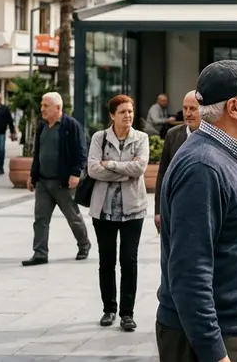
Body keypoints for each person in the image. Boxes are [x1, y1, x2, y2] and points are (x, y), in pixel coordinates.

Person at [156, 60, 237, 362]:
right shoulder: (203, 167)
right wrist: (214, 352)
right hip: (211, 337)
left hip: (231, 328)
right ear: (234, 107)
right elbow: (189, 272)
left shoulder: (226, 155)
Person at [87, 94, 149, 331]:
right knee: (107, 260)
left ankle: (127, 313)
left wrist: (110, 165)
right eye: (123, 112)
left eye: (130, 111)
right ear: (112, 115)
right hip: (103, 210)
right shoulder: (99, 138)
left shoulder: (141, 138)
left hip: (133, 209)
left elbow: (140, 167)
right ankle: (109, 309)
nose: (128, 116)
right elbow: (93, 169)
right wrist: (126, 170)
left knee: (129, 261)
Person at [22, 92, 92, 266]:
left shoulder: (71, 126)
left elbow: (81, 152)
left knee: (73, 217)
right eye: (42, 105)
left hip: (63, 183)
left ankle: (84, 244)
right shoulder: (42, 127)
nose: (42, 109)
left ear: (58, 108)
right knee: (40, 219)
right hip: (43, 182)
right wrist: (32, 174)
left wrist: (76, 173)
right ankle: (40, 253)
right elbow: (37, 153)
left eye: (46, 106)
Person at [154, 90, 201, 234]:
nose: (187, 113)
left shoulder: (214, 136)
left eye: (193, 108)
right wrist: (158, 211)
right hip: (175, 209)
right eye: (185, 108)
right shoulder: (173, 135)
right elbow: (163, 174)